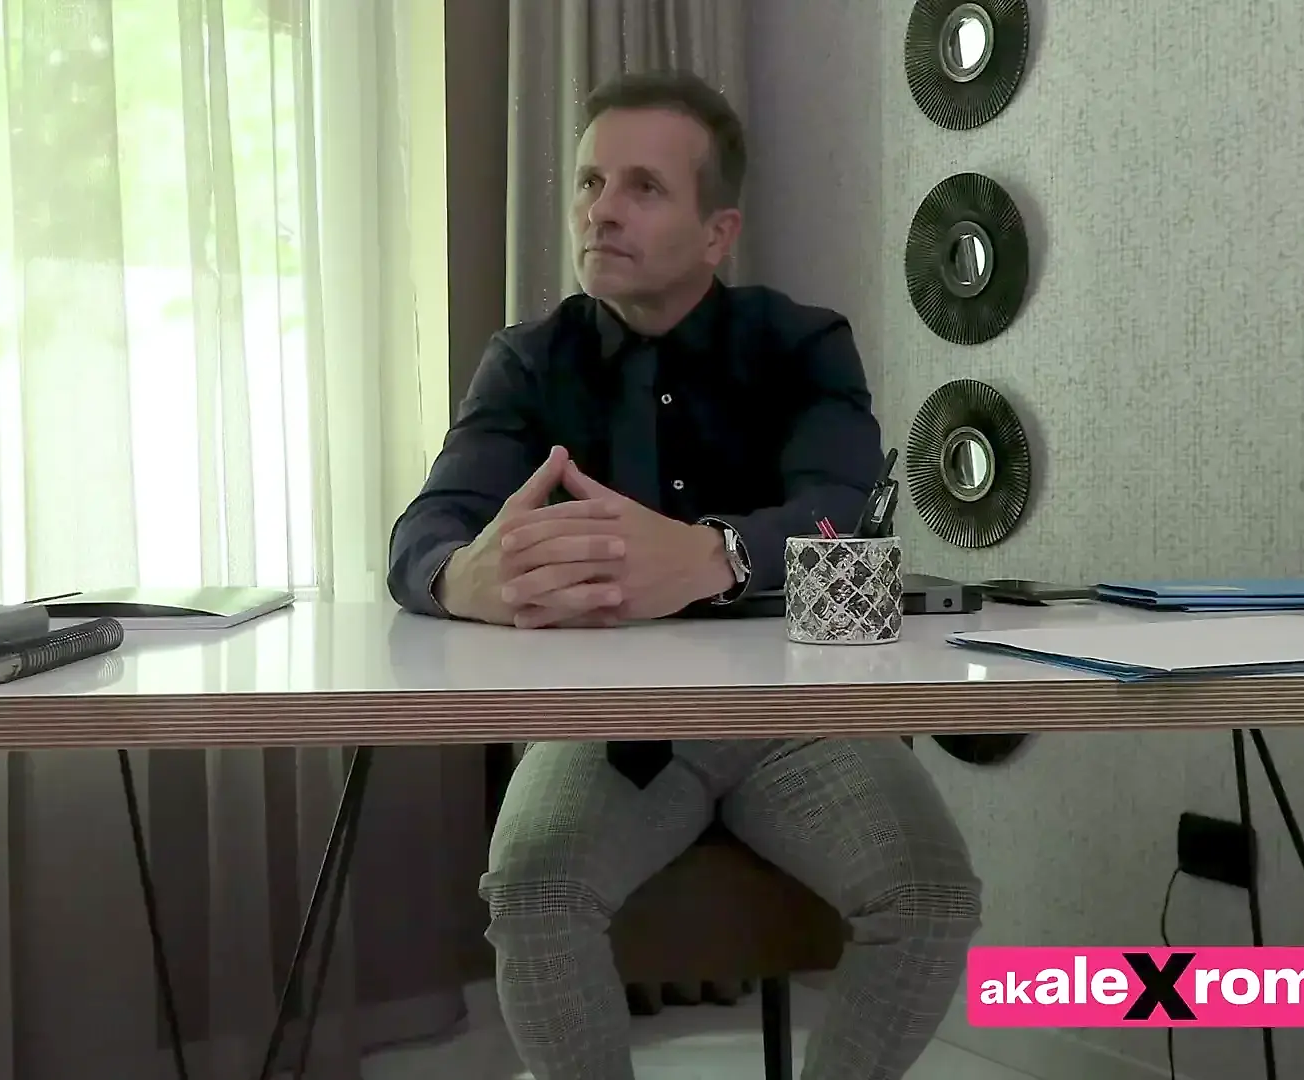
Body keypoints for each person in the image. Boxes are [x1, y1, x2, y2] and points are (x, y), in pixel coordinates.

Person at [386, 70, 982, 1080]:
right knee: (532, 890)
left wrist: (715, 555)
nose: (601, 210)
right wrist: (461, 579)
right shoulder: (528, 363)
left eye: (643, 187)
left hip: (794, 716)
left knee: (930, 895)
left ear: (718, 233)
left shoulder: (803, 344)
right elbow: (424, 535)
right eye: (590, 182)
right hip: (605, 723)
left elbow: (841, 511)